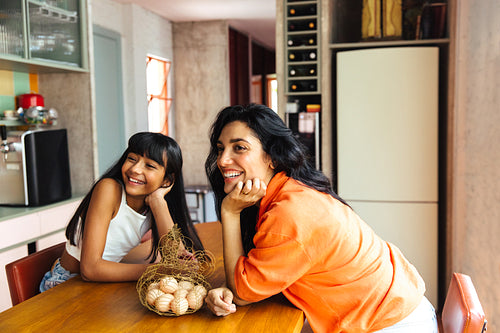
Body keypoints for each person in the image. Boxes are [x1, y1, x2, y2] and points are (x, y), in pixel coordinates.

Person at [204, 104, 438, 333]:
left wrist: (230, 213)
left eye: (239, 148)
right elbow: (254, 279)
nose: (223, 160)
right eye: (220, 148)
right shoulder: (291, 191)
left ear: (272, 158)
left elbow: (243, 293)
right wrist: (230, 287)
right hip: (395, 310)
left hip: (390, 323)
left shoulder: (289, 213)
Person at [40, 132, 203, 291]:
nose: (135, 169)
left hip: (99, 285)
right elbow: (90, 269)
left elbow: (176, 257)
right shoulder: (109, 189)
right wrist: (157, 270)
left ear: (167, 180)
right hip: (65, 285)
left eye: (150, 166)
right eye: (132, 159)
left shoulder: (151, 202)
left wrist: (158, 200)